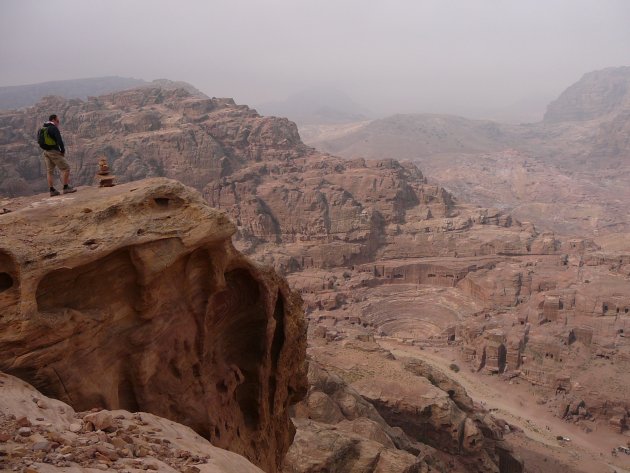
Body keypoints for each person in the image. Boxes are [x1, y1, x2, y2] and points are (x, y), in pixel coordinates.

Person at [40, 114, 76, 196]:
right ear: (53, 120)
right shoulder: (53, 128)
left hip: (46, 152)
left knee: (49, 171)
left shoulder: (43, 128)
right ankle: (66, 187)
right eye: (57, 121)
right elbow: (59, 141)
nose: (58, 123)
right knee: (66, 168)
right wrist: (62, 150)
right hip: (54, 151)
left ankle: (52, 190)